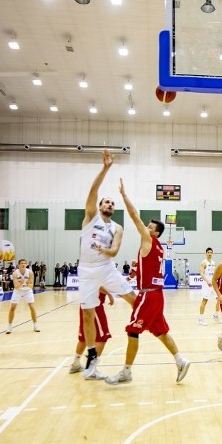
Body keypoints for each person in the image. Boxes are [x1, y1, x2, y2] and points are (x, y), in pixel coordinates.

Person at [105, 179, 191, 385]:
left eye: (149, 227)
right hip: (156, 295)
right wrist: (134, 274)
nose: (145, 227)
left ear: (156, 233)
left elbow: (134, 216)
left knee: (133, 330)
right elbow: (150, 268)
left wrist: (124, 196)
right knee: (160, 331)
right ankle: (181, 360)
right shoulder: (158, 248)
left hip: (148, 295)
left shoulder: (149, 240)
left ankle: (126, 371)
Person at [78, 149, 137, 380]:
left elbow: (115, 250)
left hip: (106, 268)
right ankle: (91, 355)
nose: (110, 204)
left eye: (113, 203)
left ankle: (142, 324)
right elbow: (93, 191)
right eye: (107, 201)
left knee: (133, 298)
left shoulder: (117, 227)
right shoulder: (90, 217)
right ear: (100, 205)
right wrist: (105, 168)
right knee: (87, 315)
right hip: (86, 271)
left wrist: (106, 250)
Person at [70, 288, 114, 376]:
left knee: (85, 338)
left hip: (86, 304)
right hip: (94, 306)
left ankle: (76, 364)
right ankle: (91, 369)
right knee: (102, 338)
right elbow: (98, 285)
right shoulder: (97, 274)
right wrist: (109, 294)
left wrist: (128, 279)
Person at [5, 258, 39, 334]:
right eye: (22, 263)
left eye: (25, 263)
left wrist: (25, 283)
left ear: (26, 264)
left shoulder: (30, 273)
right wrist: (22, 283)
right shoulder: (15, 273)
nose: (23, 264)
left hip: (27, 290)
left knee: (32, 306)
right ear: (19, 265)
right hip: (18, 291)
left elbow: (31, 286)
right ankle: (9, 326)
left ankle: (35, 325)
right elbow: (16, 287)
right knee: (12, 307)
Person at [198, 247, 220, 326]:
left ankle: (216, 315)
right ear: (206, 253)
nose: (210, 254)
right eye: (208, 252)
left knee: (219, 298)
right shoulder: (204, 262)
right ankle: (201, 319)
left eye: (211, 252)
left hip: (213, 284)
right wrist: (207, 281)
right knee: (205, 301)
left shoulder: (213, 262)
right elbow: (201, 273)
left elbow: (214, 273)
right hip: (206, 284)